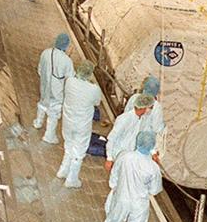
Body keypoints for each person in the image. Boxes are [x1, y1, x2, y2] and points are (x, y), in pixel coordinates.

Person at [95, 130, 162, 222]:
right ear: (152, 146)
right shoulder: (153, 168)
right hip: (139, 203)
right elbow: (155, 190)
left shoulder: (124, 156)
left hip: (121, 197)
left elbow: (114, 175)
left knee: (112, 221)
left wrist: (114, 187)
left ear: (137, 142)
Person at [56, 60, 102, 190]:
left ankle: (62, 170)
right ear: (90, 73)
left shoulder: (69, 81)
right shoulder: (94, 89)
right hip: (82, 125)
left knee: (69, 145)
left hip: (68, 122)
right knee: (79, 151)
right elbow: (97, 102)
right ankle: (71, 179)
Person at [33, 33, 73, 144]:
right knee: (54, 113)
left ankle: (38, 122)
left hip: (44, 86)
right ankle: (49, 136)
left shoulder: (45, 53)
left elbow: (39, 70)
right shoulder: (67, 61)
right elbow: (70, 80)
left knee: (42, 103)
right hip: (57, 91)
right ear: (66, 45)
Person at [105, 93, 154, 172]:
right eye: (150, 107)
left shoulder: (143, 119)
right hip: (118, 155)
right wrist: (109, 158)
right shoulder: (124, 119)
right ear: (144, 107)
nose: (151, 110)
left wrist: (153, 152)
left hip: (130, 156)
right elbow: (112, 138)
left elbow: (146, 137)